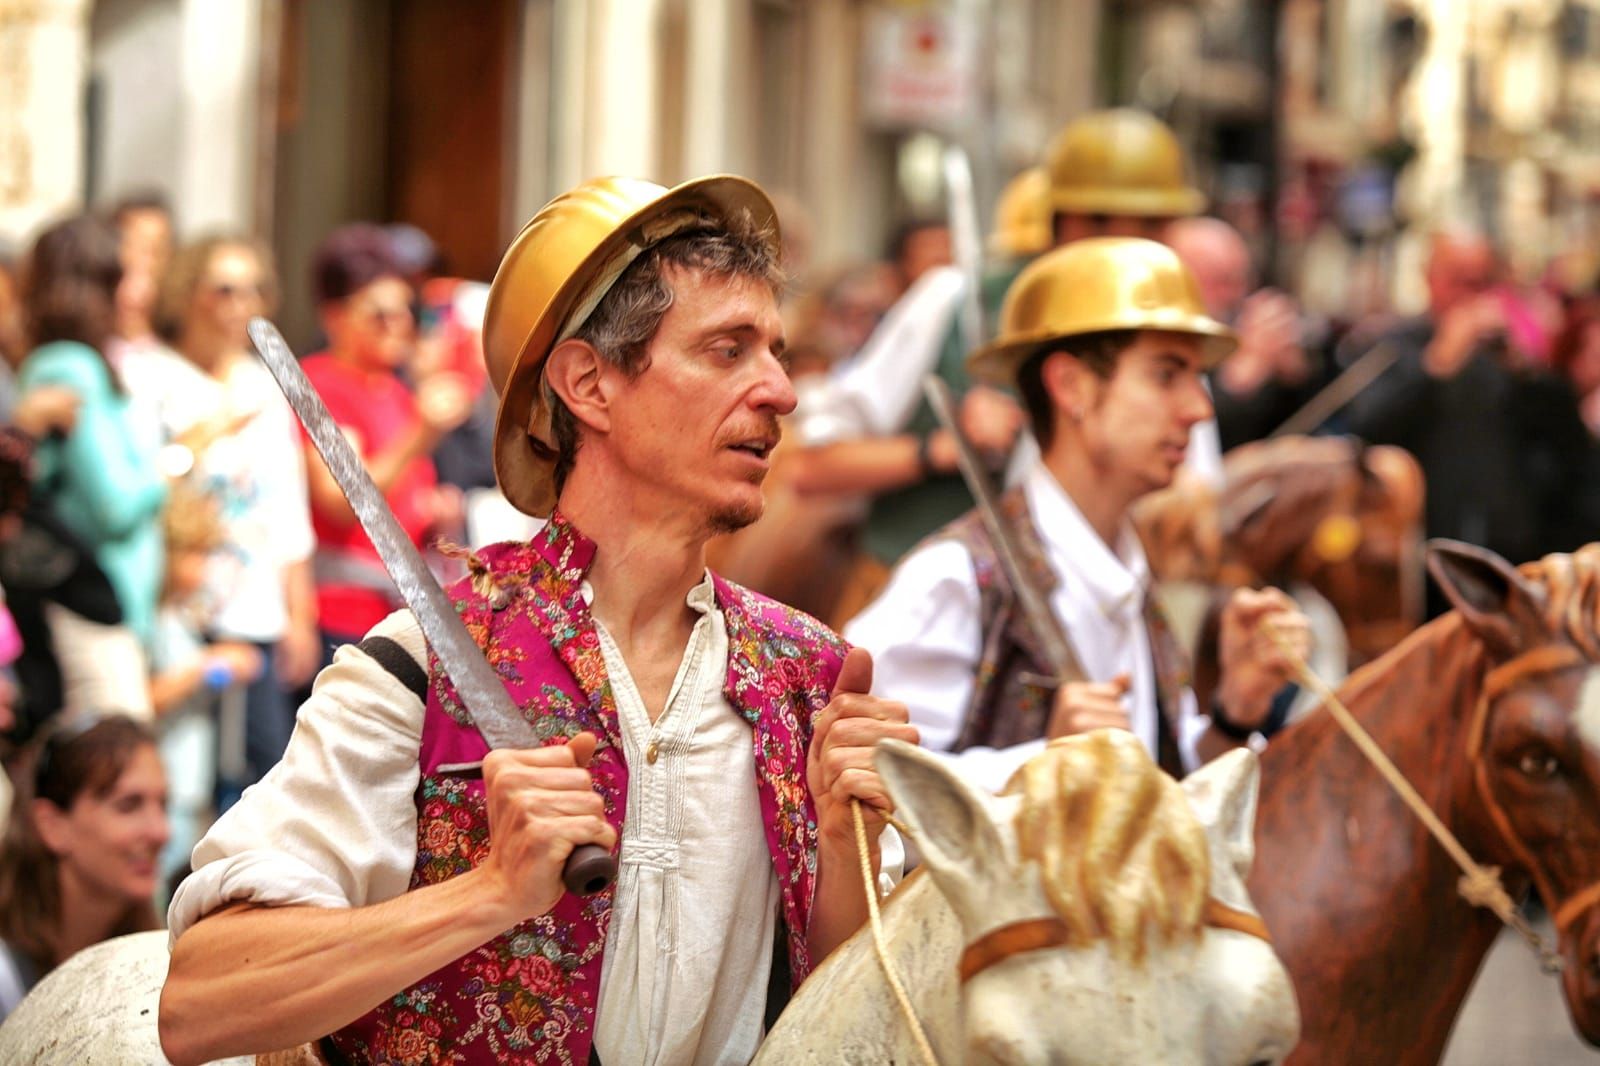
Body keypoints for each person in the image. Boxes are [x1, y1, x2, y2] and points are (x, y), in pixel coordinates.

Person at [159, 175, 915, 1065]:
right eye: (727, 350)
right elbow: (200, 1004)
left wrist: (844, 844)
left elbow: (842, 1013)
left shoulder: (808, 678)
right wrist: (486, 894)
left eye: (777, 353)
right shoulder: (422, 667)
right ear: (589, 384)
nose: (782, 391)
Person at [846, 237, 1310, 792]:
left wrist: (1237, 709)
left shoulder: (1134, 578)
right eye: (1166, 374)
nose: (1199, 408)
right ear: (1072, 387)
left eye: (1196, 377)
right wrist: (1041, 768)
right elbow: (862, 786)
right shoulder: (956, 579)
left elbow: (1160, 792)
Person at [125, 234, 320, 809]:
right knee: (181, 776)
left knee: (266, 775)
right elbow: (140, 485)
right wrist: (201, 437)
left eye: (254, 288)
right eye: (224, 288)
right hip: (181, 607)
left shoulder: (265, 383)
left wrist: (300, 612)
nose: (241, 302)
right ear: (188, 294)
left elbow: (287, 506)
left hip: (256, 610)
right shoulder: (150, 377)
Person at [1345, 230, 1597, 615]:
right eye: (1457, 279)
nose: (1469, 292)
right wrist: (1437, 364)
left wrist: (1525, 371)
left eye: (1481, 281)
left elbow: (1567, 448)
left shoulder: (1511, 359)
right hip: (1416, 559)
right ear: (1429, 278)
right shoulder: (1395, 345)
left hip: (1509, 555)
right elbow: (1365, 432)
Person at [16, 215, 167, 719]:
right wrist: (173, 462)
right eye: (126, 275)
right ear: (94, 284)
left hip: (112, 611)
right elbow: (115, 504)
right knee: (112, 775)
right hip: (90, 610)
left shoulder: (78, 361)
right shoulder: (69, 366)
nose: (141, 290)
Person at [299, 224, 470, 659]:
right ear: (334, 317)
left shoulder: (395, 391)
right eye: (380, 314)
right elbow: (341, 498)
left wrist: (436, 516)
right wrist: (421, 434)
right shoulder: (319, 384)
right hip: (343, 614)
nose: (399, 326)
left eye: (406, 311)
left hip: (400, 611)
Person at [0, 714, 169, 1020]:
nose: (161, 832)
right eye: (129, 805)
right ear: (51, 826)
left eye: (163, 804)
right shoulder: (7, 976)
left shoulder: (157, 969)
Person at [1166, 216, 1328, 450]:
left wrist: (1293, 378)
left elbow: (1301, 430)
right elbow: (1196, 447)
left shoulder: (1243, 327)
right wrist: (1239, 380)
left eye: (1243, 279)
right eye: (1222, 281)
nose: (1235, 295)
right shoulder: (1164, 343)